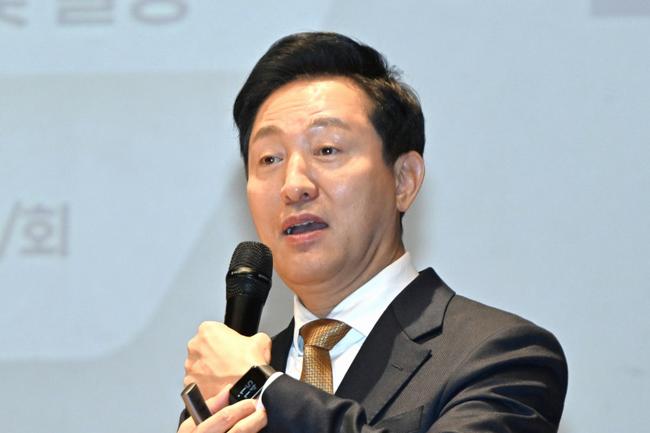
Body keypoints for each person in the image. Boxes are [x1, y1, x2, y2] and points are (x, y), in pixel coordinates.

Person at [179, 32, 568, 433]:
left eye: (327, 149)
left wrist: (261, 387)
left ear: (403, 180)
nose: (293, 185)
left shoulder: (501, 355)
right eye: (269, 159)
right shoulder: (226, 385)